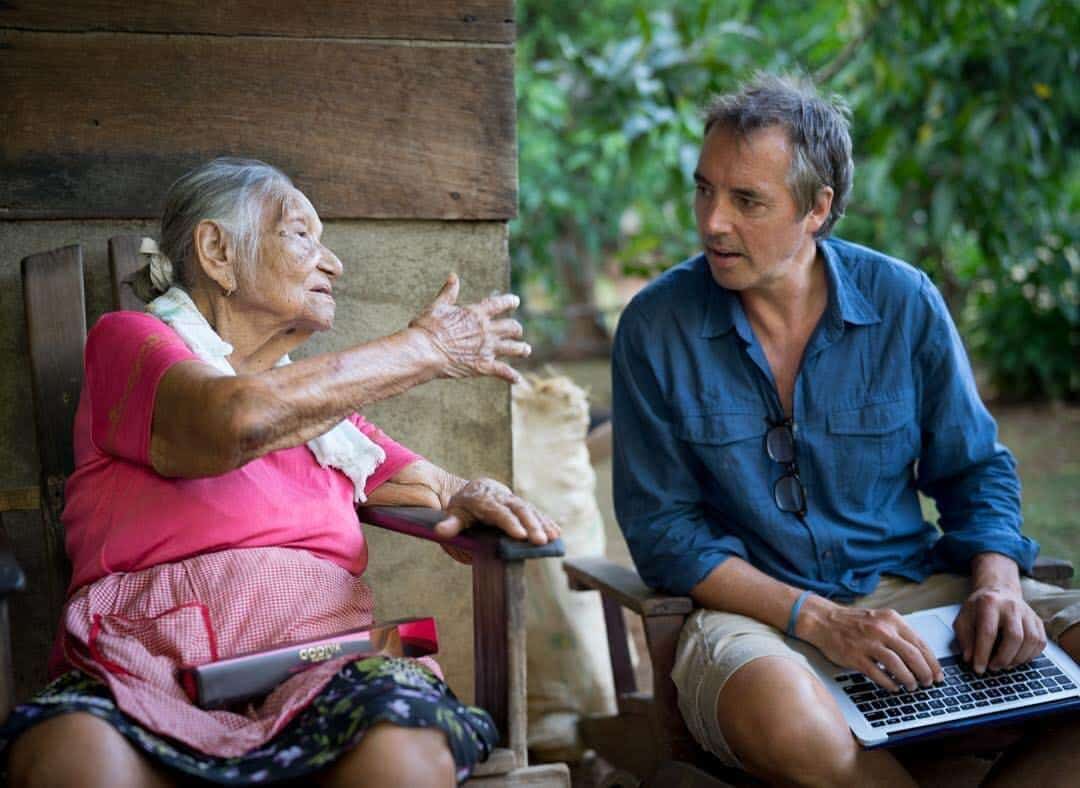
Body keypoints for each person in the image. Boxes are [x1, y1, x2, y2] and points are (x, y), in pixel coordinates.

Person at [1, 157, 560, 788]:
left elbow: (438, 490)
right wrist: (422, 349)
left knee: (400, 749)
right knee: (74, 756)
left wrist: (476, 492)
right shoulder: (131, 342)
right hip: (146, 667)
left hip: (320, 666)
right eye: (301, 234)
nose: (333, 263)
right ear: (217, 251)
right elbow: (234, 421)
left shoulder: (331, 426)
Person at [611, 73, 1080, 786]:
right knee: (791, 722)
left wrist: (997, 583)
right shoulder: (655, 325)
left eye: (747, 201)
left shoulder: (905, 301)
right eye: (704, 189)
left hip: (918, 592)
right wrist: (820, 622)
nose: (712, 222)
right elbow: (666, 535)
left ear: (817, 208)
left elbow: (975, 470)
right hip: (755, 621)